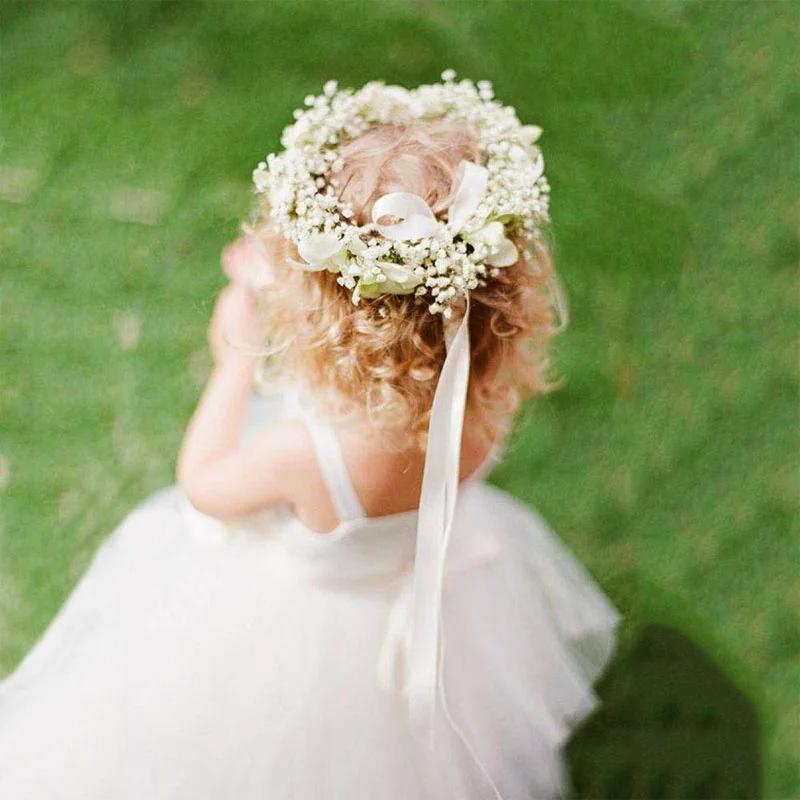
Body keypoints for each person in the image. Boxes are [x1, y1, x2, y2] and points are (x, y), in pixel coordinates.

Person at [0, 73, 620, 799]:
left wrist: (234, 358)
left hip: (293, 635)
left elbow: (204, 485)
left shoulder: (306, 455)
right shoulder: (481, 397)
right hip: (433, 598)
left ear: (324, 308)